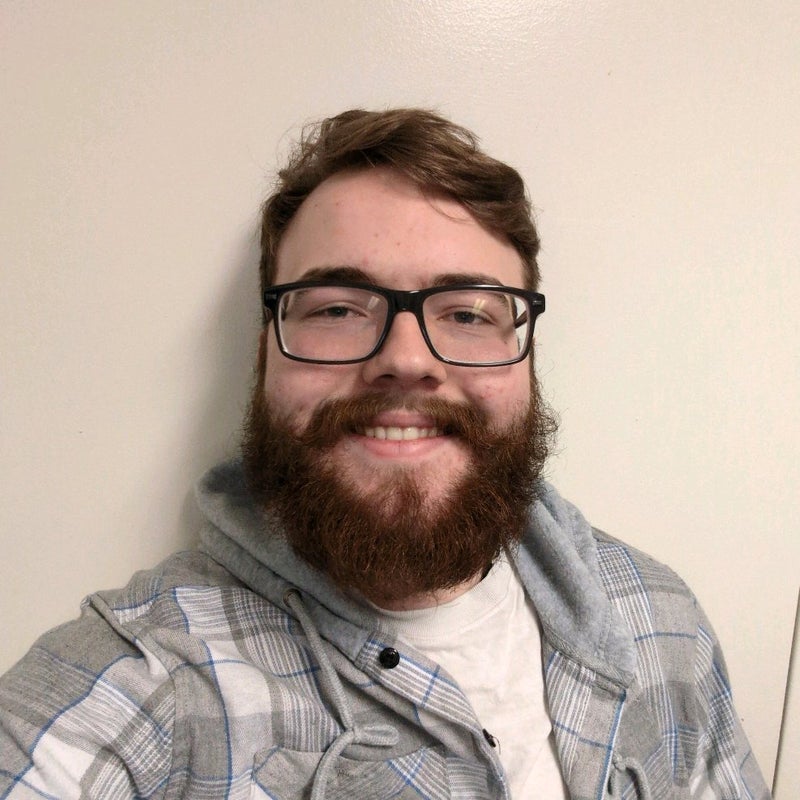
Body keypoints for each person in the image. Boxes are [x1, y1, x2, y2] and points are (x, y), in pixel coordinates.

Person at [0, 109, 770, 800]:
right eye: (338, 308)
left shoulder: (659, 620)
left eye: (468, 313)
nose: (406, 359)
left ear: (527, 354)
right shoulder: (147, 682)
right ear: (265, 353)